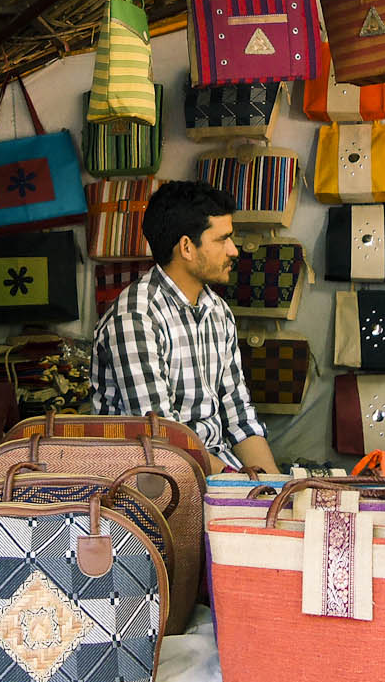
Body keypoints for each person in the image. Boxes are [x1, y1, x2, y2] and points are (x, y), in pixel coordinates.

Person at [90, 179, 277, 473]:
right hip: (156, 479)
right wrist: (238, 485)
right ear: (187, 247)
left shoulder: (218, 311)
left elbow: (239, 417)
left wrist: (275, 488)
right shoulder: (135, 318)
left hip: (219, 471)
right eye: (222, 239)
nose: (233, 250)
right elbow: (163, 438)